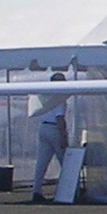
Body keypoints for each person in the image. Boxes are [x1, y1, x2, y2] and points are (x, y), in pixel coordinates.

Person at [31, 72, 70, 203]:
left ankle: (36, 191)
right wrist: (64, 136)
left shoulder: (45, 96)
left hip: (44, 127)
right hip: (54, 129)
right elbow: (60, 119)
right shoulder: (59, 98)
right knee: (65, 162)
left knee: (41, 163)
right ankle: (67, 191)